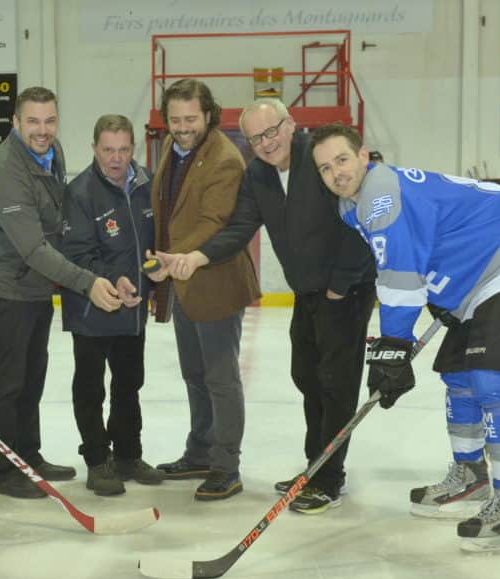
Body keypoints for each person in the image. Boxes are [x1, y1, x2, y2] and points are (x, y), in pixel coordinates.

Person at [309, 122, 500, 552]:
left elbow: (401, 274)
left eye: (342, 159)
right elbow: (416, 250)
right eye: (324, 168)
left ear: (364, 156)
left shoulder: (379, 195)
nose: (336, 173)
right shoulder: (351, 207)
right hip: (476, 276)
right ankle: (471, 476)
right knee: (458, 375)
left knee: (492, 379)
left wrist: (394, 347)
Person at [156, 98, 376, 513]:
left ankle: (329, 478)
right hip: (308, 293)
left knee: (336, 383)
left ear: (291, 125)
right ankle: (317, 465)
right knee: (307, 377)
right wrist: (196, 257)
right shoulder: (259, 174)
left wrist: (340, 285)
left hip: (345, 292)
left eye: (272, 131)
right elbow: (240, 226)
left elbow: (358, 220)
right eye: (256, 137)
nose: (266, 142)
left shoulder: (320, 161)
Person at [0, 86, 122, 499]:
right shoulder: (5, 169)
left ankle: (27, 457)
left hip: (33, 286)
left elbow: (58, 225)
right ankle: (2, 471)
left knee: (31, 376)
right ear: (16, 123)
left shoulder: (52, 156)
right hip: (2, 286)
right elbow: (33, 246)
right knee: (5, 380)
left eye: (49, 121)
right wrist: (87, 282)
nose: (42, 130)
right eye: (32, 121)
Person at [145, 78, 260, 501]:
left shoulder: (224, 159)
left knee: (220, 378)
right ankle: (200, 452)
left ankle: (226, 466)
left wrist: (167, 259)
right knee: (194, 375)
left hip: (214, 283)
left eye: (190, 119)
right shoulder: (174, 152)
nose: (182, 127)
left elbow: (212, 222)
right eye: (174, 120)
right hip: (183, 284)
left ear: (209, 115)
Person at [58, 114, 165, 496]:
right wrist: (110, 279)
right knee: (91, 388)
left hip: (133, 310)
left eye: (123, 149)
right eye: (108, 150)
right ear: (93, 149)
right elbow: (76, 253)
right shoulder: (81, 192)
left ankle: (128, 455)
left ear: (132, 148)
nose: (116, 158)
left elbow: (152, 242)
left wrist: (156, 268)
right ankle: (97, 459)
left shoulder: (148, 183)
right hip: (92, 309)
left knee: (129, 384)